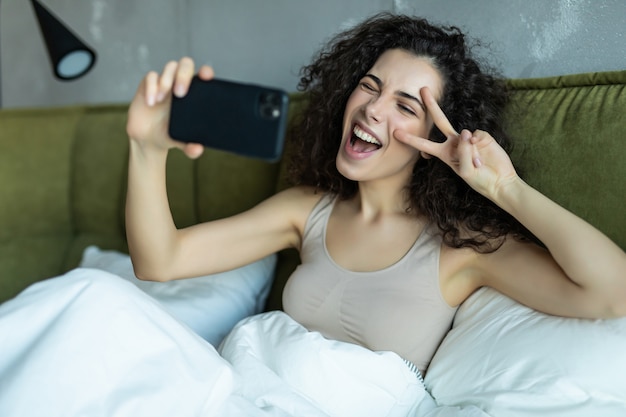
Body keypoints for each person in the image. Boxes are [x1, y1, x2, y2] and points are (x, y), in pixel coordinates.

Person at [126, 11, 626, 376]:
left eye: (406, 107)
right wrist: (146, 148)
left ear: (437, 136)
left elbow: (612, 292)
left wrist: (505, 188)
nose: (373, 110)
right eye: (370, 86)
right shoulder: (307, 210)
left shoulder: (460, 249)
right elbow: (161, 261)